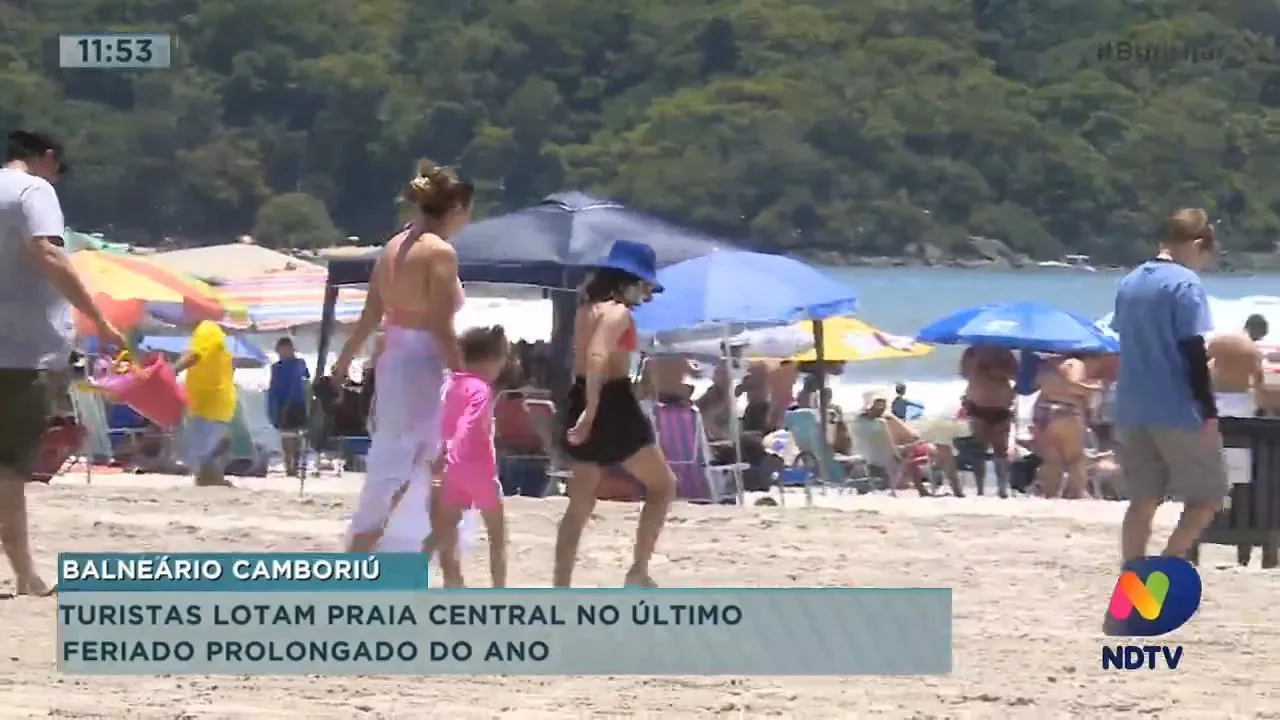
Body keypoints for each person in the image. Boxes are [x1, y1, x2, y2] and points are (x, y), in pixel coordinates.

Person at [0, 130, 125, 596]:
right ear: (46, 158)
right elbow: (47, 251)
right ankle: (26, 574)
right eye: (57, 167)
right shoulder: (34, 191)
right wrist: (98, 318)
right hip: (18, 355)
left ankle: (23, 571)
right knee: (10, 468)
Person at [332, 160, 471, 553]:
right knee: (421, 461)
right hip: (424, 363)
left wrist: (342, 366)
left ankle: (372, 545)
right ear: (456, 209)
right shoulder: (440, 253)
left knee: (393, 459)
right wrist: (465, 381)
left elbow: (369, 318)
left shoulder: (393, 247)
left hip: (393, 360)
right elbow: (443, 327)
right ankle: (395, 548)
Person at [1108, 209, 1225, 635]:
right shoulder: (1185, 284)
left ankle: (1131, 589)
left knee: (1143, 499)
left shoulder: (1131, 281)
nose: (1205, 264)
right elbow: (1193, 354)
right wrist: (1209, 410)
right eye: (1207, 255)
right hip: (1176, 408)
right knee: (1208, 496)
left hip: (1132, 406)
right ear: (1197, 244)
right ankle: (1163, 574)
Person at [553, 240, 675, 587]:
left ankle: (560, 586)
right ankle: (637, 570)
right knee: (662, 485)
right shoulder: (617, 312)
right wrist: (592, 412)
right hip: (611, 402)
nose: (647, 295)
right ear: (630, 279)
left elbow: (585, 359)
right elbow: (597, 356)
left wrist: (585, 406)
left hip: (579, 394)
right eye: (646, 286)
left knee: (580, 501)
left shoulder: (583, 310)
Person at [421, 326, 510, 588]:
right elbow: (468, 426)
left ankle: (410, 578)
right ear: (491, 360)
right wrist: (461, 448)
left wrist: (444, 457)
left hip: (451, 469)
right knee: (497, 536)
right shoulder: (481, 389)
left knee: (440, 532)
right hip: (479, 468)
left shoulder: (451, 385)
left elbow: (444, 427)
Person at [174, 320, 237, 487]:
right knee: (204, 456)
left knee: (203, 458)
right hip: (213, 402)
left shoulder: (206, 328)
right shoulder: (209, 333)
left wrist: (171, 371)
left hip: (209, 403)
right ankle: (215, 478)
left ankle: (215, 478)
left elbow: (193, 356)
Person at [1033, 354, 1099, 498]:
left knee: (1052, 460)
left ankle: (1050, 494)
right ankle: (1077, 494)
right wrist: (1094, 388)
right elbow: (1072, 384)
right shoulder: (1074, 363)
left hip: (1046, 412)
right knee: (1075, 459)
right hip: (1067, 411)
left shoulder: (1046, 365)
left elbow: (1038, 386)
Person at [959, 345, 1017, 497]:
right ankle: (979, 489)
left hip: (1001, 407)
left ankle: (1002, 488)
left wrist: (997, 372)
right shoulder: (972, 352)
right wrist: (978, 364)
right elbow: (964, 373)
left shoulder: (1004, 352)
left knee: (1001, 449)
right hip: (978, 406)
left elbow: (1018, 375)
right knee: (979, 449)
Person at [267, 337, 310, 476]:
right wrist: (272, 408)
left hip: (298, 403)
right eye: (281, 350)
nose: (284, 352)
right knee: (286, 437)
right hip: (282, 404)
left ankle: (295, 465)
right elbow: (273, 388)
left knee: (297, 436)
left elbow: (305, 378)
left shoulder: (299, 363)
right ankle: (288, 467)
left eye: (287, 349)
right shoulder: (276, 367)